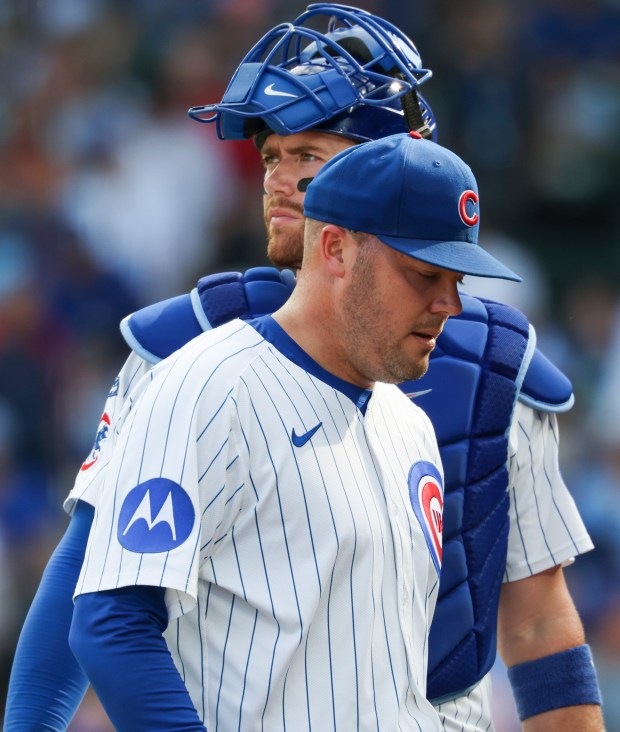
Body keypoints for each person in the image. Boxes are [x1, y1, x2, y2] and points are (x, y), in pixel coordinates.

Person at [5, 5, 604, 731]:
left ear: (394, 162)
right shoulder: (185, 350)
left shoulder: (496, 368)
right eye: (272, 157)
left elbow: (539, 625)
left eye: (311, 155)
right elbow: (88, 600)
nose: (281, 183)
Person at [68, 132, 519, 731]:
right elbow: (110, 621)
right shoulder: (208, 386)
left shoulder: (411, 427)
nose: (450, 304)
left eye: (457, 280)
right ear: (334, 249)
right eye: (424, 274)